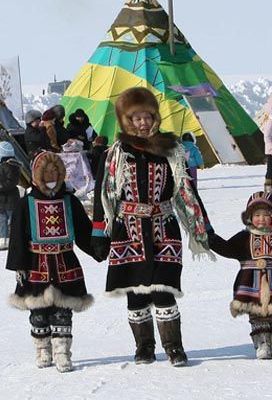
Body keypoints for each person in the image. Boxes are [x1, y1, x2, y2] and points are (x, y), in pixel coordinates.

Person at [91, 87, 215, 367]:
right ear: (126, 121)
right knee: (135, 293)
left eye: (147, 116)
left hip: (163, 228)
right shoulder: (114, 155)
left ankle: (174, 347)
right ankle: (144, 347)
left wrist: (203, 227)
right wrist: (99, 233)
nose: (143, 122)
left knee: (164, 291)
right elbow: (103, 195)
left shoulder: (171, 151)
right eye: (136, 118)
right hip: (128, 230)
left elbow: (187, 191)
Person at [5, 152, 102, 373]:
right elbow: (18, 236)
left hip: (65, 263)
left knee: (63, 312)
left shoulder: (70, 201)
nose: (52, 174)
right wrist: (19, 265)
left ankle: (62, 352)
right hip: (35, 264)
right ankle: (43, 350)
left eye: (56, 170)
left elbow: (84, 232)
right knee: (38, 315)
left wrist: (100, 247)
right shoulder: (26, 203)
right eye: (47, 171)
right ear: (37, 175)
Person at [207, 191, 272, 359]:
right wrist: (211, 239)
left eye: (266, 215)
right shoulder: (244, 237)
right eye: (257, 215)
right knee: (257, 315)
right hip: (250, 282)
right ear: (250, 217)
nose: (261, 219)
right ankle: (262, 342)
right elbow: (228, 248)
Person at [0, 141, 22, 251]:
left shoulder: (8, 166)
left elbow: (10, 182)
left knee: (11, 220)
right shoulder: (3, 165)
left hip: (9, 198)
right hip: (3, 199)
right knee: (2, 220)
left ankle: (13, 240)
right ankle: (3, 239)